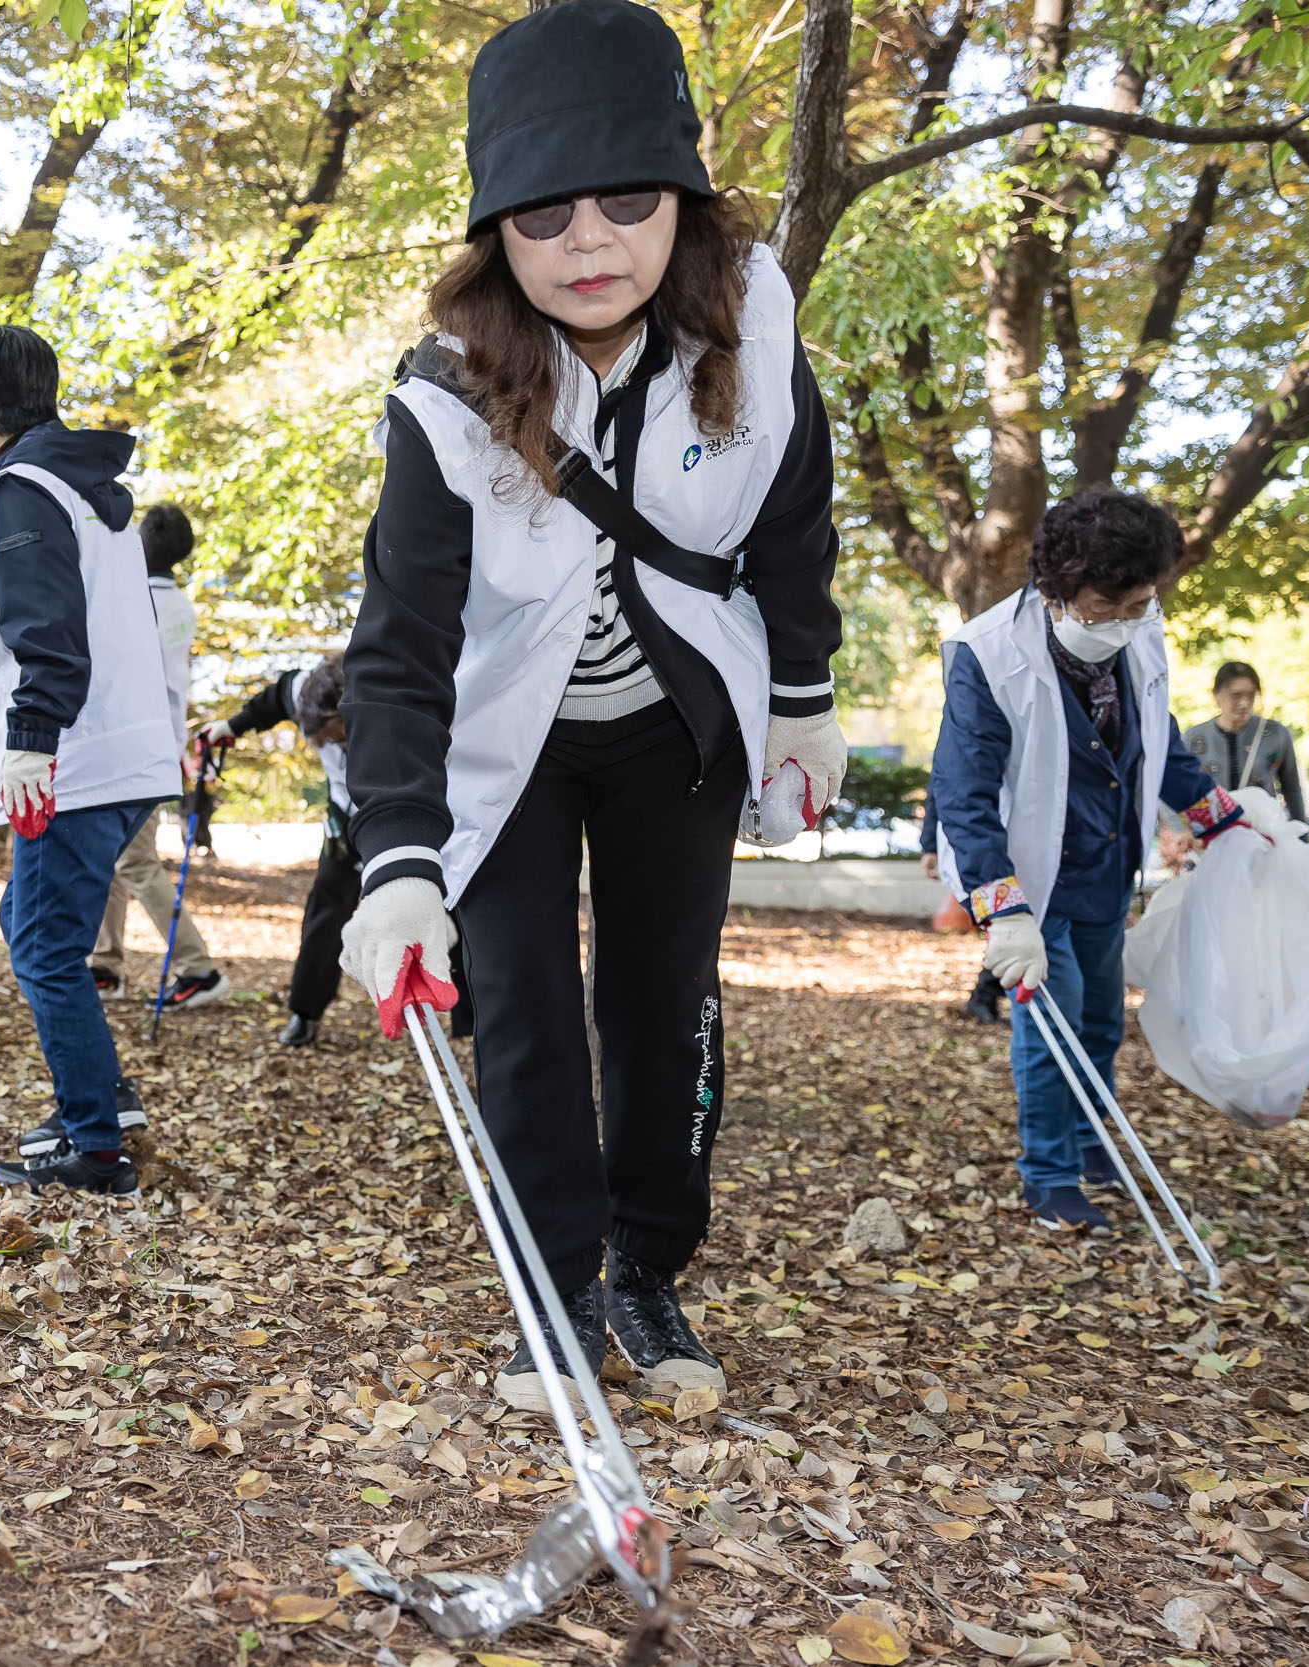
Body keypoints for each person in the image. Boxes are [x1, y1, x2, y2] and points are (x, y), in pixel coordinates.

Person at [337, 0, 847, 1414]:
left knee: (661, 1002)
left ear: (682, 197)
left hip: (673, 727)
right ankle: (552, 1281)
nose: (591, 244)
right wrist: (396, 858)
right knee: (524, 1008)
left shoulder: (754, 321)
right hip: (506, 741)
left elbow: (796, 520)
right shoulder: (447, 391)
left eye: (628, 200)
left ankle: (645, 1260)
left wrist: (801, 694)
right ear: (494, 231)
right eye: (543, 215)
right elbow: (401, 640)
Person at [934, 491, 1254, 1234]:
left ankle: (1089, 1139)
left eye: (1141, 601)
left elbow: (1160, 742)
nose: (1126, 618)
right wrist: (1002, 908)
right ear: (1056, 589)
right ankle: (1048, 1174)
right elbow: (964, 788)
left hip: (1109, 871)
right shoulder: (986, 655)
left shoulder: (1141, 627)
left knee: (1103, 1022)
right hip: (1033, 884)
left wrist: (1220, 820)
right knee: (1054, 1032)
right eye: (1107, 604)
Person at [0, 325, 180, 1197]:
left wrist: (30, 741)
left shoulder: (24, 487)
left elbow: (47, 629)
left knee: (44, 948)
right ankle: (103, 1099)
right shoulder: (88, 487)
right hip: (125, 753)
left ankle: (97, 1147)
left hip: (72, 760)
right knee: (28, 921)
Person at [86, 503, 230, 1011]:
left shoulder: (135, 600)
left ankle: (199, 969)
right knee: (110, 856)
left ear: (144, 543)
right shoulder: (179, 605)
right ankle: (105, 965)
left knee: (136, 862)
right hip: (151, 748)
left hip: (135, 751)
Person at [206, 652, 356, 1046]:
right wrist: (231, 726)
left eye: (334, 733)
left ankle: (470, 1012)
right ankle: (305, 1013)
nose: (328, 743)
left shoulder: (378, 696)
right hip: (345, 819)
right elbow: (272, 700)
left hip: (401, 808)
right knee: (324, 913)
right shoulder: (303, 690)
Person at [918, 782, 1005, 1024]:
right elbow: (941, 785)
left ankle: (985, 996)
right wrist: (930, 846)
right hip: (990, 851)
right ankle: (984, 996)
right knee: (1006, 928)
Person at [1183, 661, 1308, 824]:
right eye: (1236, 695)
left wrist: (1303, 841)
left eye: (1251, 695)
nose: (1244, 703)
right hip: (1214, 835)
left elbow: (1292, 791)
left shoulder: (1276, 734)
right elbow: (1181, 788)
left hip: (1263, 833)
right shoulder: (1193, 738)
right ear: (1216, 695)